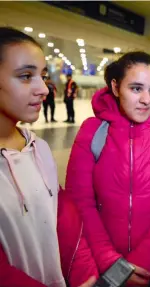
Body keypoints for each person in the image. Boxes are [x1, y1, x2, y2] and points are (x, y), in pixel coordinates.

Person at [65, 52, 150, 286]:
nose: (147, 99)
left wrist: (141, 264)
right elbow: (80, 203)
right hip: (104, 266)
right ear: (115, 87)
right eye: (136, 89)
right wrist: (112, 264)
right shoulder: (93, 133)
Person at [0, 27, 97, 287]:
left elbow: (64, 221)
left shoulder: (39, 147)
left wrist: (84, 274)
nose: (43, 89)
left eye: (42, 76)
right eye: (25, 76)